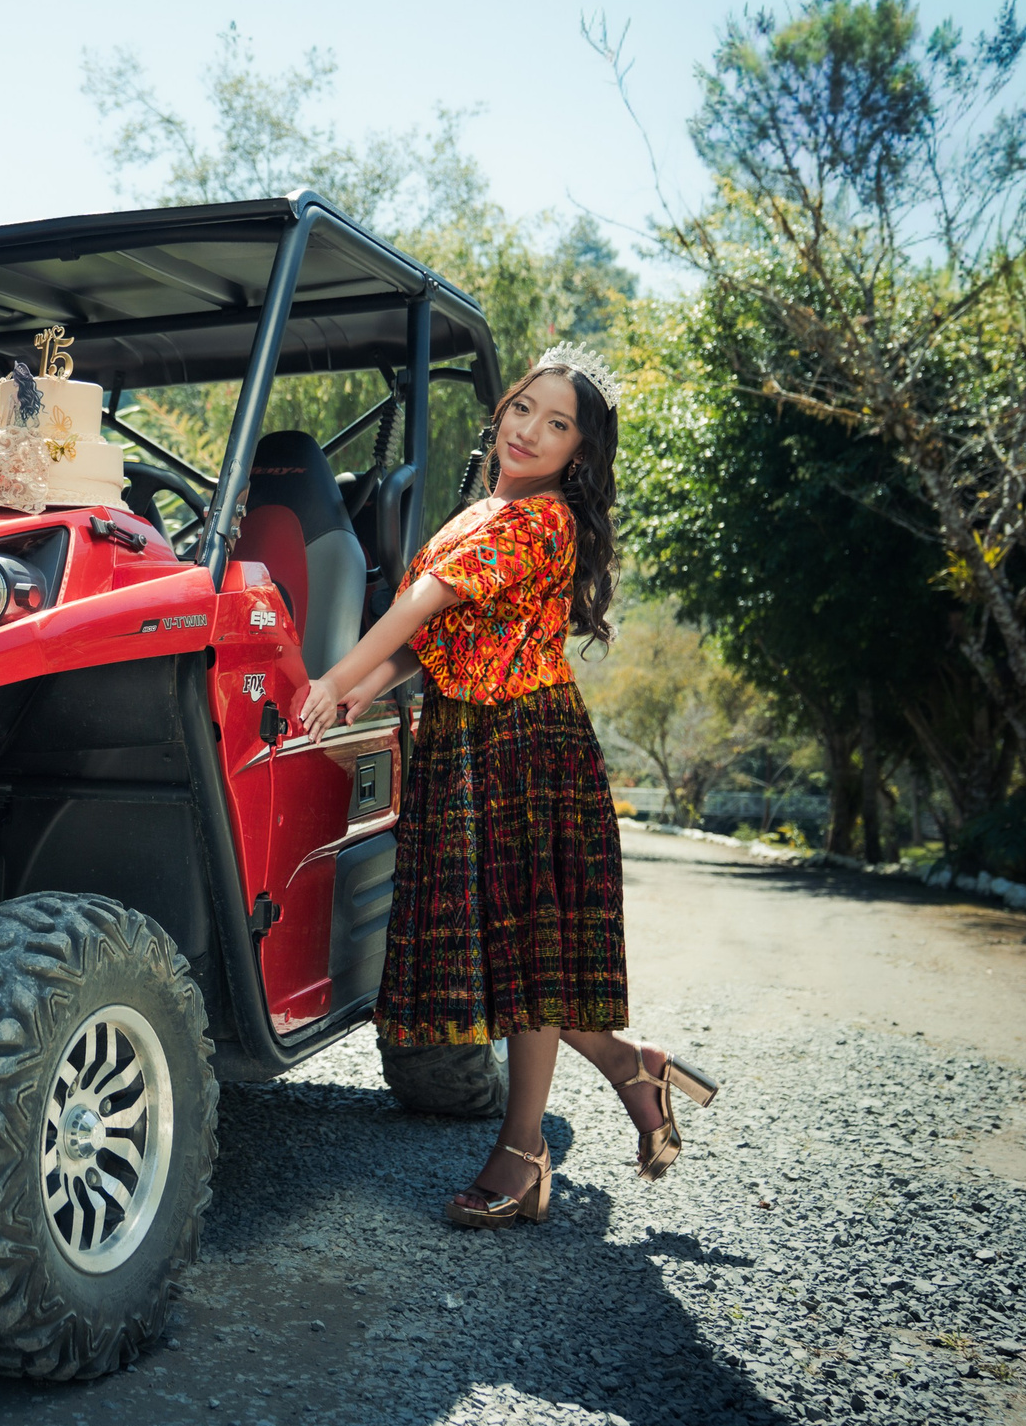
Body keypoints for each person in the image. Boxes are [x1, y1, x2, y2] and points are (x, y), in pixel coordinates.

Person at [294, 347, 720, 1229]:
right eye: (524, 408)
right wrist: (380, 680)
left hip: (523, 743)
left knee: (526, 953)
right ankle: (629, 1071)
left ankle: (527, 1151)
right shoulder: (493, 508)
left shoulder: (540, 521)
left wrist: (340, 678)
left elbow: (421, 603)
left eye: (557, 423)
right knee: (522, 953)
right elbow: (448, 625)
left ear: (579, 451)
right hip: (475, 736)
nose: (529, 430)